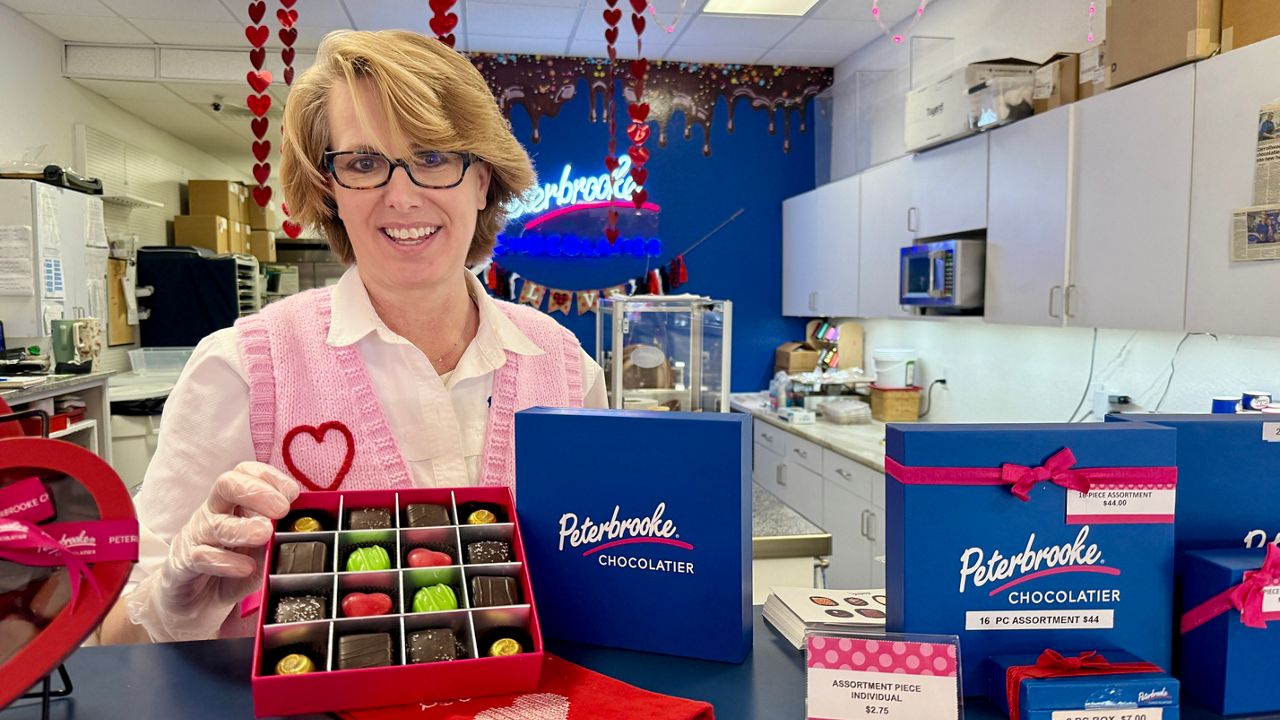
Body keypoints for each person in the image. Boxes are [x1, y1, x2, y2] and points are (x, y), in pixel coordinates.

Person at [100, 29, 607, 644]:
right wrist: (175, 602)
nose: (402, 195)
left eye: (434, 157)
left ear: (482, 180)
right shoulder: (241, 369)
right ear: (331, 191)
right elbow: (114, 637)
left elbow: (602, 587)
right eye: (364, 164)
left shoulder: (567, 368)